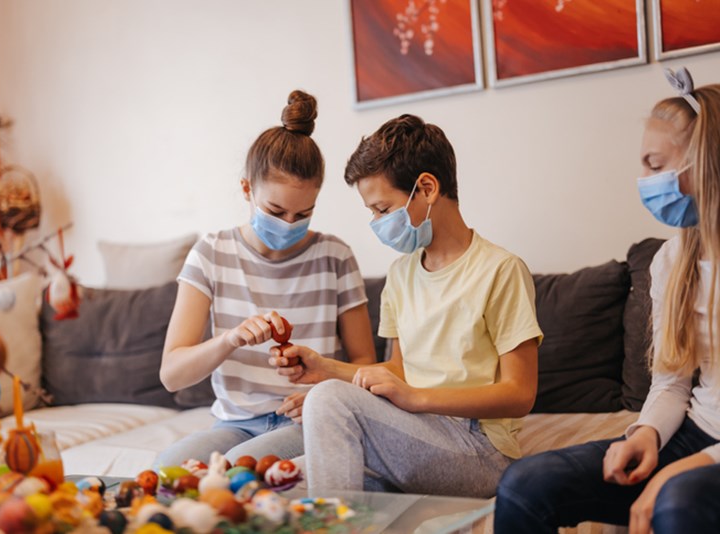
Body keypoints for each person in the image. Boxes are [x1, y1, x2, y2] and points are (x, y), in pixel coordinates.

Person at [494, 68, 720, 533]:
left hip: (707, 460)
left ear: (705, 162)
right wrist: (647, 433)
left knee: (676, 504)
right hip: (695, 433)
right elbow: (672, 384)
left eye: (655, 166)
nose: (643, 180)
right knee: (525, 484)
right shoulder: (671, 260)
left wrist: (681, 470)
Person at [270, 114, 543, 496]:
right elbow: (399, 369)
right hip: (416, 435)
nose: (377, 222)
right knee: (281, 481)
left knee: (329, 403)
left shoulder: (501, 270)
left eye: (383, 209)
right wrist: (325, 369)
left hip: (480, 451)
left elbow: (519, 394)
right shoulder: (400, 274)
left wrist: (416, 399)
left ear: (427, 188)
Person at [155, 90, 375, 467]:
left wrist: (327, 395)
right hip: (235, 424)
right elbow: (172, 375)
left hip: (309, 420)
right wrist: (230, 339)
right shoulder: (211, 254)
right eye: (276, 210)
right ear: (247, 189)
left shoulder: (335, 257)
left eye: (303, 213)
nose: (289, 224)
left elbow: (365, 364)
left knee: (235, 471)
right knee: (165, 471)